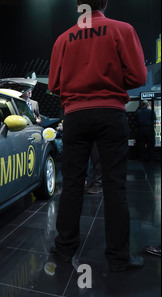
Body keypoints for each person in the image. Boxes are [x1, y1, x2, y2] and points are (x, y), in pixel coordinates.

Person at [48, 0, 147, 272]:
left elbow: (54, 84)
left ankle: (64, 249)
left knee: (71, 185)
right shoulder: (122, 30)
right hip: (111, 113)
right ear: (105, 2)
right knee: (115, 186)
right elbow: (139, 75)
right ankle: (118, 257)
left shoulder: (63, 39)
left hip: (75, 116)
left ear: (78, 5)